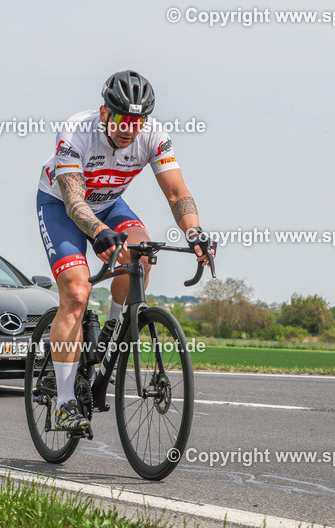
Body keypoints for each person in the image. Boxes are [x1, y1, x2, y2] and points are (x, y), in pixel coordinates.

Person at [36, 70, 213, 432]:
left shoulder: (154, 137)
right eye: (121, 120)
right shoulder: (76, 132)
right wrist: (98, 231)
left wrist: (194, 231)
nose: (129, 129)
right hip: (62, 207)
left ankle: (114, 329)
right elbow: (73, 197)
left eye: (137, 121)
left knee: (142, 255)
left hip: (111, 204)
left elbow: (177, 193)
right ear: (104, 114)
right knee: (76, 290)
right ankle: (66, 401)